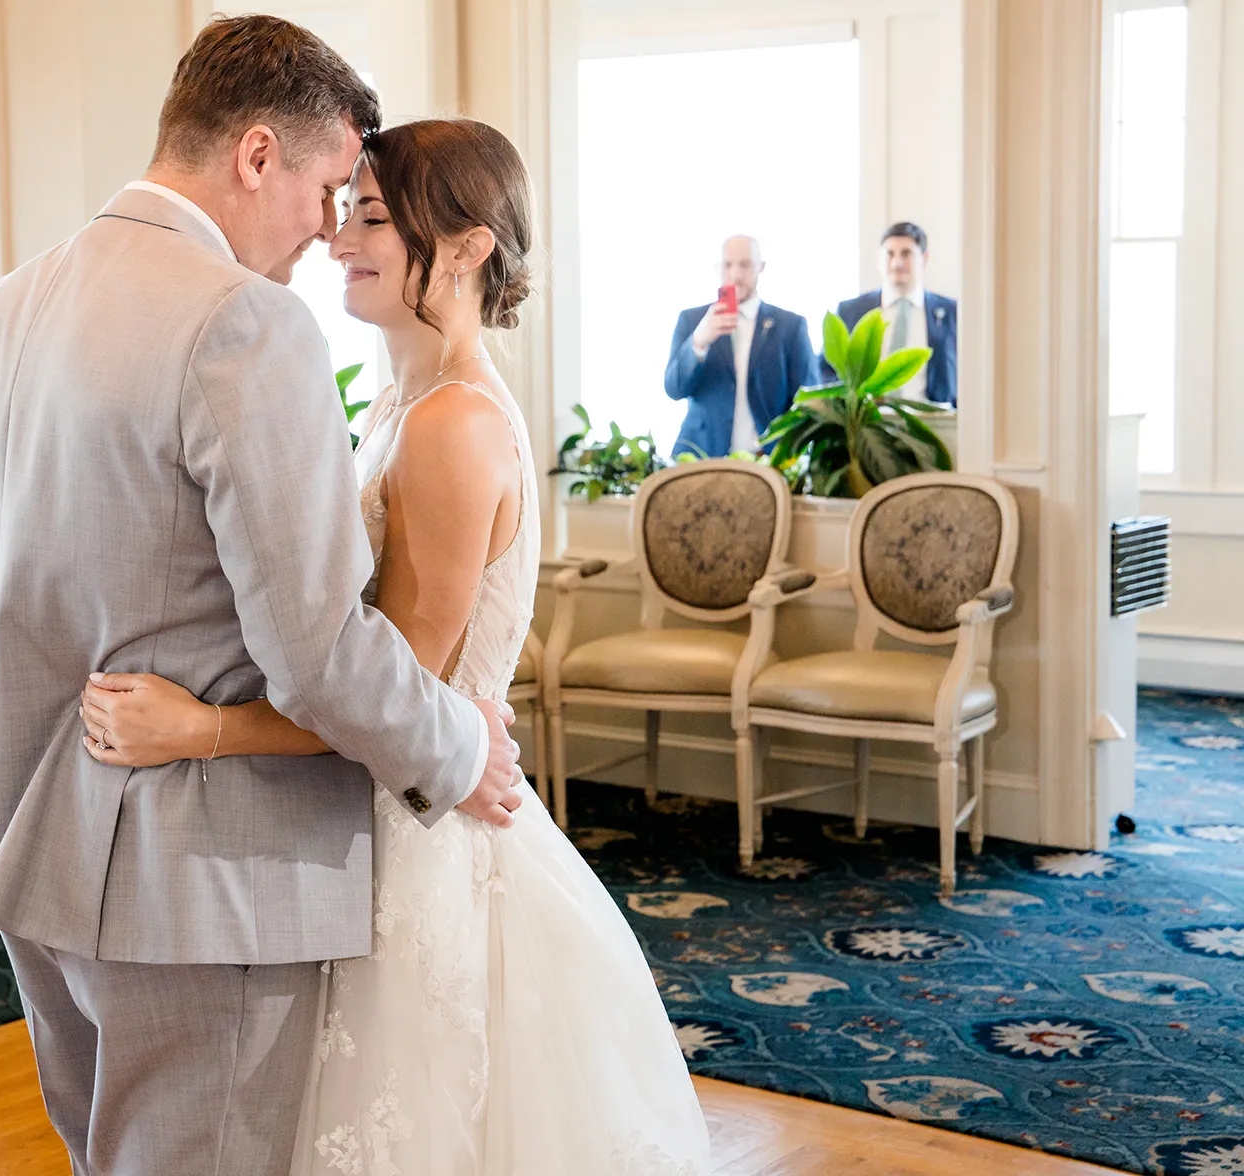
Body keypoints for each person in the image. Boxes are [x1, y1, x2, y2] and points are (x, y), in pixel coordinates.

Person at [0, 15, 524, 1176]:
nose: (327, 229)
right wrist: (457, 741)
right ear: (255, 157)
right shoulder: (241, 322)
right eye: (331, 186)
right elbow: (316, 648)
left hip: (22, 852)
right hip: (198, 879)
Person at [80, 120, 710, 1175]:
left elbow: (400, 695)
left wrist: (201, 727)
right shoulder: (398, 403)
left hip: (423, 838)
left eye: (373, 216)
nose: (338, 238)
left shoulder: (454, 426)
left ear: (465, 246)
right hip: (377, 816)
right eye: (344, 209)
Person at [662, 234, 813, 458]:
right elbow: (674, 389)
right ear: (717, 268)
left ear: (761, 267)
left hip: (768, 461)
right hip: (701, 457)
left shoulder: (790, 327)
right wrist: (698, 343)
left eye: (745, 264)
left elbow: (807, 400)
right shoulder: (692, 320)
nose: (735, 274)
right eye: (728, 265)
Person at [831, 220, 957, 405]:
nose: (897, 263)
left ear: (924, 258)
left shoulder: (951, 312)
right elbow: (828, 371)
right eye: (890, 254)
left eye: (906, 254)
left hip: (933, 423)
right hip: (867, 423)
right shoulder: (851, 312)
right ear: (878, 260)